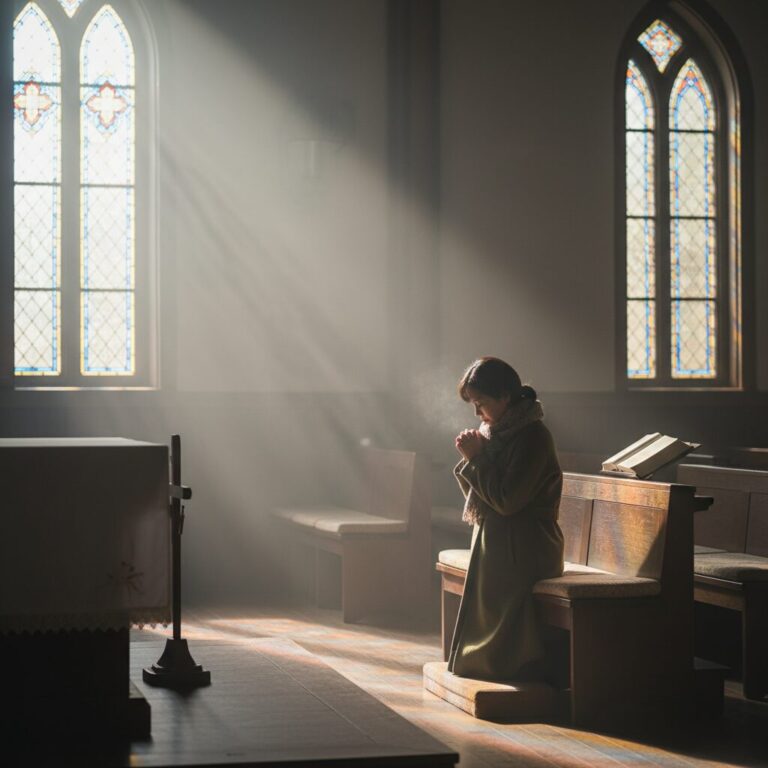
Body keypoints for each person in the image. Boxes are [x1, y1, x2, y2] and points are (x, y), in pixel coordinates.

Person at [448, 356, 564, 683]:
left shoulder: (533, 437)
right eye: (472, 404)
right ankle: (482, 662)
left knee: (500, 590)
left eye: (481, 402)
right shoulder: (495, 433)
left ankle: (507, 666)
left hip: (529, 543)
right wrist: (474, 459)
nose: (477, 413)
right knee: (485, 585)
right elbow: (485, 496)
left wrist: (476, 458)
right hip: (499, 538)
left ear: (505, 397)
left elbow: (508, 502)